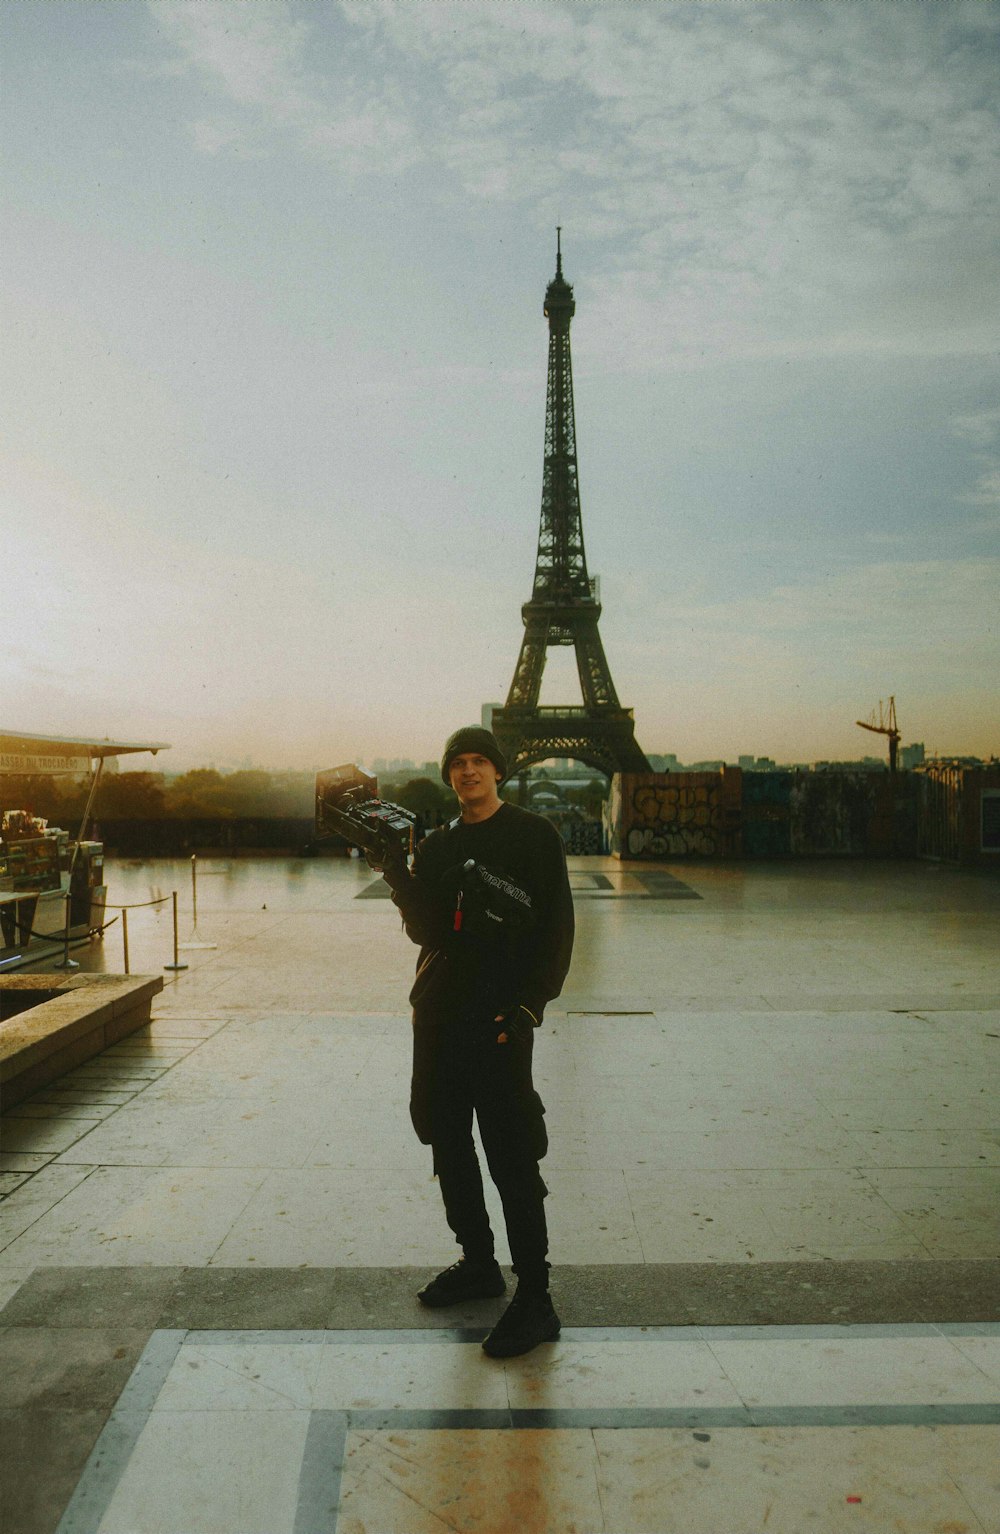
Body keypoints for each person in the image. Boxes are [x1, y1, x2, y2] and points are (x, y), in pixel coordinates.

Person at [377, 726, 574, 1358]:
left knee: (512, 1153)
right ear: (449, 775)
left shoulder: (534, 836)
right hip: (439, 1017)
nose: (468, 772)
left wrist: (529, 1006)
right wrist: (396, 875)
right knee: (448, 1142)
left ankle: (536, 1296)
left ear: (498, 772)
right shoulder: (438, 847)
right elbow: (428, 931)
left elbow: (558, 928)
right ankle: (479, 1262)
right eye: (458, 764)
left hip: (498, 1018)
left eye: (478, 762)